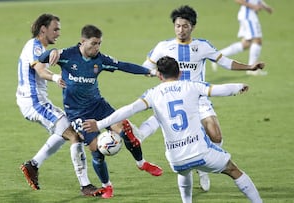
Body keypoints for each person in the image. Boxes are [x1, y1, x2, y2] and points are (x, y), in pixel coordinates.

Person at [83, 56, 263, 203]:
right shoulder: (191, 86)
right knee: (233, 170)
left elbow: (128, 110)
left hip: (176, 158)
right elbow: (218, 90)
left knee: (184, 172)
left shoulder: (152, 94)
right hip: (200, 151)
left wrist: (99, 124)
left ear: (159, 75)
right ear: (181, 72)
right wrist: (238, 87)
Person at [129, 5, 265, 192]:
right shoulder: (164, 46)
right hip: (171, 95)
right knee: (164, 120)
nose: (180, 30)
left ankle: (204, 169)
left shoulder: (202, 46)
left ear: (192, 26)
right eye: (177, 26)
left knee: (215, 135)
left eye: (185, 26)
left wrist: (250, 67)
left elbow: (226, 62)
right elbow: (146, 66)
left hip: (198, 97)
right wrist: (152, 72)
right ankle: (138, 135)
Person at [38, 24, 162, 199]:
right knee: (97, 149)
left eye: (99, 44)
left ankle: (141, 163)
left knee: (126, 131)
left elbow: (123, 65)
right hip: (78, 113)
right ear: (83, 41)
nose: (97, 48)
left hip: (98, 106)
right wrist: (51, 53)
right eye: (94, 44)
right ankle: (107, 186)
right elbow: (39, 59)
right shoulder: (66, 55)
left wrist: (150, 71)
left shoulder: (100, 60)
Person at [16, 14, 103, 196]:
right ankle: (85, 186)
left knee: (64, 131)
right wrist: (55, 77)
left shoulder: (37, 47)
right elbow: (39, 69)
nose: (58, 33)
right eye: (55, 29)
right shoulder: (35, 46)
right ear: (43, 30)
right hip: (34, 101)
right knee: (75, 136)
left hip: (34, 100)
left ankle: (33, 165)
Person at [211, 0, 273, 75]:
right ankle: (252, 70)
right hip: (248, 17)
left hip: (250, 16)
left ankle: (218, 56)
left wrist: (266, 7)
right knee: (257, 40)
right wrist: (254, 6)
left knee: (247, 44)